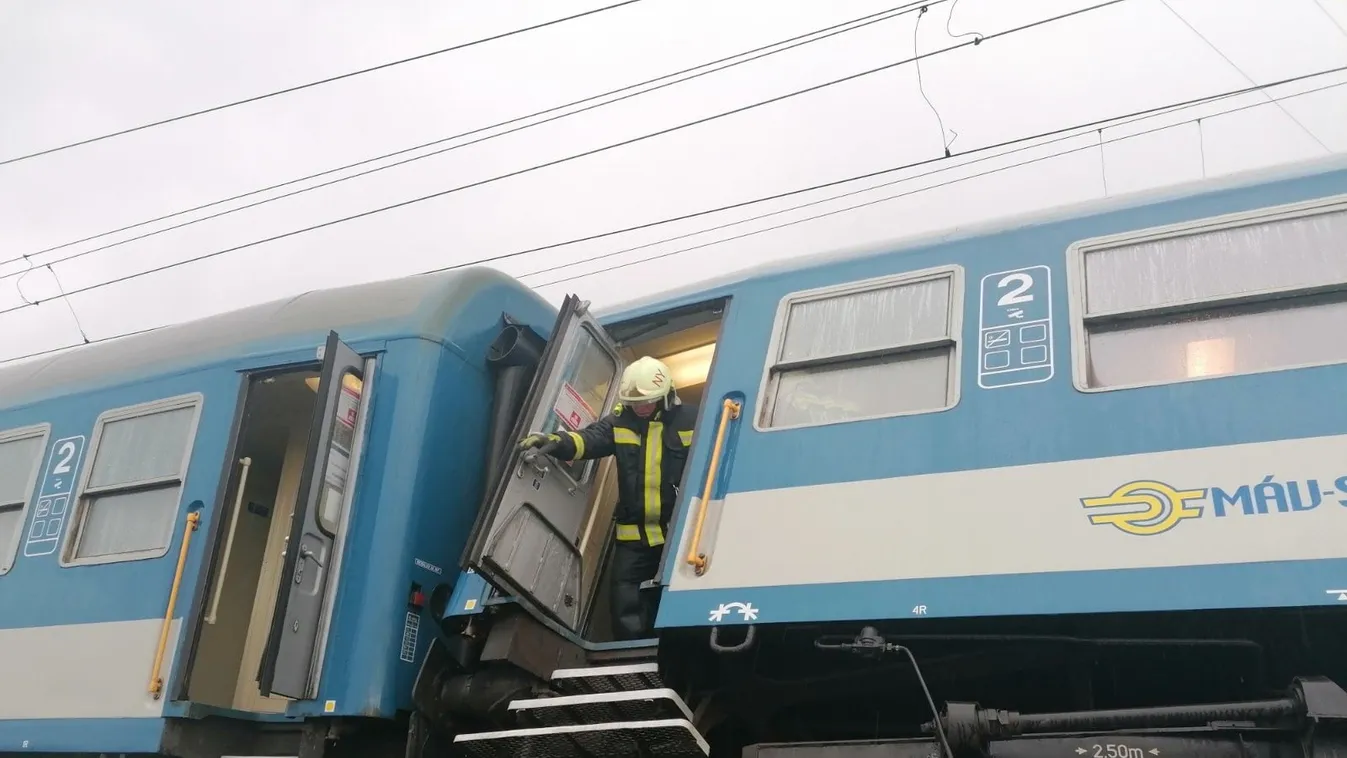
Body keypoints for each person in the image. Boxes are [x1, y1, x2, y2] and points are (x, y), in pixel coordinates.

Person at [518, 356, 697, 640]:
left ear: (666, 396)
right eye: (634, 404)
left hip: (681, 534)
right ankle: (631, 660)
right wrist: (555, 442)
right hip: (634, 536)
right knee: (625, 602)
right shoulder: (619, 421)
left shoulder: (694, 419)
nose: (640, 410)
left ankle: (677, 653)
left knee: (682, 596)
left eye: (647, 403)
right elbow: (587, 440)